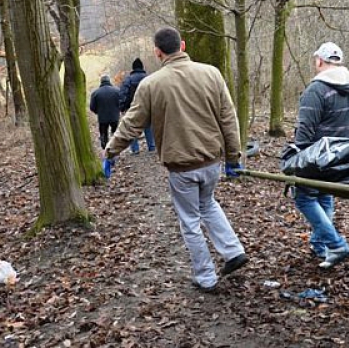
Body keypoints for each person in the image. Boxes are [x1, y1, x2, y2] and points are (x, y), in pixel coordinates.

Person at [104, 26, 248, 292]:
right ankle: (232, 250)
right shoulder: (211, 74)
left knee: (190, 220)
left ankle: (206, 276)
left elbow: (131, 126)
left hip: (182, 167)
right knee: (208, 204)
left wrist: (110, 151)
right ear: (182, 45)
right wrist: (233, 157)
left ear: (157, 53)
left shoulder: (151, 85)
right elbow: (229, 118)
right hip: (212, 162)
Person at [291, 42, 349, 269]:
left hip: (317, 157)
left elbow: (305, 131)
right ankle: (321, 245)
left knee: (305, 198)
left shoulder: (316, 90)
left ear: (319, 61)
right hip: (341, 156)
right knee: (325, 197)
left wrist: (299, 159)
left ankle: (335, 244)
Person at [119, 57, 156, 153]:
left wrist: (122, 107)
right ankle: (151, 146)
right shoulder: (149, 78)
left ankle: (135, 149)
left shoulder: (128, 79)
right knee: (148, 127)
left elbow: (123, 94)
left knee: (132, 128)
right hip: (147, 107)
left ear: (133, 68)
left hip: (132, 107)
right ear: (142, 67)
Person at [89, 74, 120, 149]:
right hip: (114, 116)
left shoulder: (95, 93)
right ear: (109, 81)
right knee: (115, 132)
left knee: (103, 134)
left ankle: (106, 148)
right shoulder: (117, 90)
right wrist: (117, 110)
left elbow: (92, 107)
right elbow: (121, 102)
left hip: (102, 118)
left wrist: (98, 112)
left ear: (101, 82)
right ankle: (115, 147)